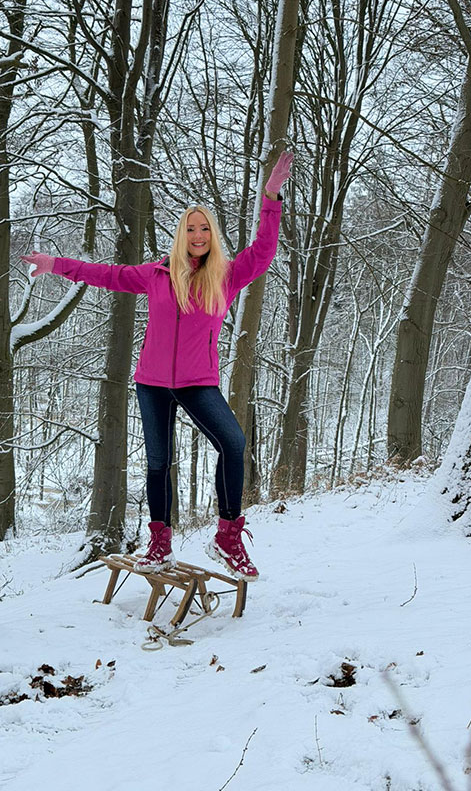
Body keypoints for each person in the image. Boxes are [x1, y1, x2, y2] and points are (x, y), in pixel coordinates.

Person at [21, 150, 293, 580]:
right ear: (181, 235)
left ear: (212, 235)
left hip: (196, 382)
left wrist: (271, 197)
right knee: (158, 462)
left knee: (233, 444)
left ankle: (228, 535)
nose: (198, 234)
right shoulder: (157, 274)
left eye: (205, 228)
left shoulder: (225, 275)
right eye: (191, 228)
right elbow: (107, 274)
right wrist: (56, 265)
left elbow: (263, 251)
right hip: (151, 382)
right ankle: (159, 542)